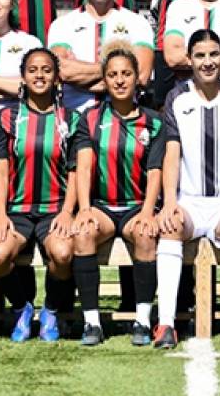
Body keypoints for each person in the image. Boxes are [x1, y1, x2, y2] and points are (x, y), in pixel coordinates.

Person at [154, 30, 220, 350]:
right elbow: (172, 155)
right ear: (189, 60)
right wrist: (169, 202)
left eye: (214, 54)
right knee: (170, 226)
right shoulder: (177, 97)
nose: (207, 62)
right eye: (200, 55)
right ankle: (166, 324)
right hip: (189, 202)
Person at [70, 41, 165, 347]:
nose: (120, 80)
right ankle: (92, 323)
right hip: (103, 207)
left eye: (126, 73)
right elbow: (83, 168)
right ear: (105, 79)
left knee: (146, 235)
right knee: (83, 233)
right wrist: (84, 209)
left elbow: (155, 172)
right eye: (113, 74)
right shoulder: (90, 119)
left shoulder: (154, 121)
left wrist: (148, 213)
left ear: (138, 78)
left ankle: (141, 319)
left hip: (138, 206)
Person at [0, 47, 78, 343]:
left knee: (63, 253)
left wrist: (67, 212)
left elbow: (75, 172)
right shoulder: (7, 117)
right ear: (23, 77)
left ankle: (50, 309)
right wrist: (0, 215)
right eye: (33, 70)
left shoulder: (71, 118)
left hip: (54, 209)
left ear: (56, 78)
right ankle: (22, 308)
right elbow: (1, 172)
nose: (40, 75)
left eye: (47, 70)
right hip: (16, 210)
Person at [48, 0, 155, 112]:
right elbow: (62, 72)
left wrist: (80, 72)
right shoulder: (62, 24)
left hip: (121, 119)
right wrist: (120, 70)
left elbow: (141, 76)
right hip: (75, 117)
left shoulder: (137, 23)